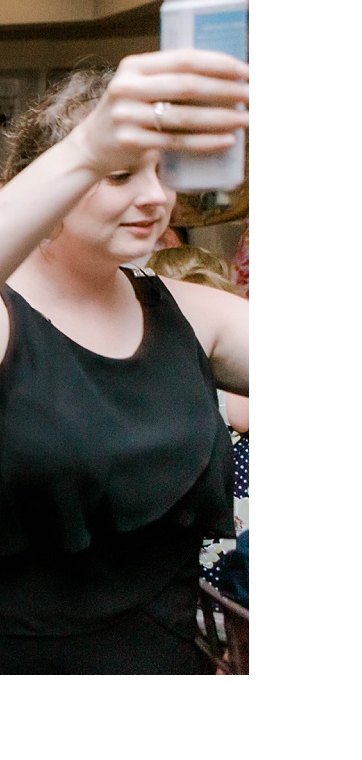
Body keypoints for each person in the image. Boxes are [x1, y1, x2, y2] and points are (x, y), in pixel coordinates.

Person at [0, 49, 249, 673]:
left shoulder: (190, 313)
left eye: (164, 172)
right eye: (119, 173)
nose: (155, 197)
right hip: (0, 672)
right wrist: (86, 150)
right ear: (48, 181)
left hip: (154, 662)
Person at [146, 244, 249, 593]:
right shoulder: (225, 374)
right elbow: (244, 416)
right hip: (233, 523)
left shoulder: (150, 376)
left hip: (189, 544)